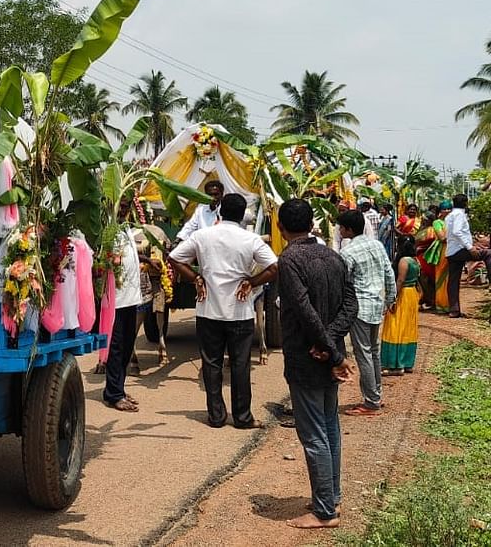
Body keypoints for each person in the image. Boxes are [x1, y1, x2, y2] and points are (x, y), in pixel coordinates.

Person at [276, 198, 357, 530]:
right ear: (312, 224)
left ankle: (325, 510)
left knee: (314, 434)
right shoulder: (333, 256)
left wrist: (327, 348)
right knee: (329, 427)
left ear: (280, 227)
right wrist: (333, 344)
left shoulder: (289, 259)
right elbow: (351, 304)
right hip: (326, 354)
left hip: (307, 356)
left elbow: (302, 309)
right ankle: (331, 495)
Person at [169, 193, 278, 428]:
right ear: (241, 217)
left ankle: (216, 416)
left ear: (219, 212)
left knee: (211, 364)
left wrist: (196, 278)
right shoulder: (251, 239)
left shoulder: (202, 236)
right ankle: (242, 417)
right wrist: (252, 281)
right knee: (240, 364)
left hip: (208, 310)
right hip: (240, 312)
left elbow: (175, 258)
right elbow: (274, 266)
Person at [337, 210, 396, 417]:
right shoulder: (377, 245)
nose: (339, 230)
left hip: (359, 307)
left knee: (364, 355)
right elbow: (389, 272)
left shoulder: (347, 252)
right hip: (376, 305)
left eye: (341, 227)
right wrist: (391, 298)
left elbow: (343, 283)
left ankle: (371, 402)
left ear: (348, 229)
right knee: (373, 352)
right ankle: (376, 395)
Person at [102, 205, 145, 412]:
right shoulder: (107, 229)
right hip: (116, 301)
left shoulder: (126, 228)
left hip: (131, 299)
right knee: (117, 348)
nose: (124, 210)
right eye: (122, 206)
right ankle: (113, 394)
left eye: (127, 206)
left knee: (127, 347)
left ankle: (119, 387)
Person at [381, 236, 421, 376]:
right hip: (412, 295)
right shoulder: (416, 261)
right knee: (408, 328)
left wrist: (392, 299)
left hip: (404, 294)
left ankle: (395, 364)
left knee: (395, 326)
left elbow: (400, 280)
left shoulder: (403, 261)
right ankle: (407, 363)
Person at [443, 193, 487, 318]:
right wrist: (470, 247)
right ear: (466, 203)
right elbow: (457, 232)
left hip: (451, 251)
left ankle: (454, 309)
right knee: (487, 254)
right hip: (460, 250)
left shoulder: (449, 216)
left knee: (453, 280)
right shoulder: (459, 215)